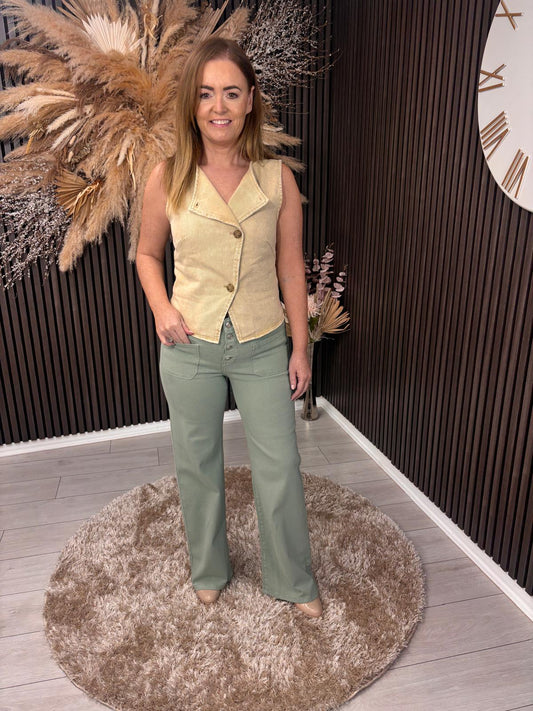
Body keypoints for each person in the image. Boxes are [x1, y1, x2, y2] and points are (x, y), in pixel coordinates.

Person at [136, 37, 322, 618]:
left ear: (251, 100)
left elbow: (291, 267)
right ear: (192, 104)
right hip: (189, 344)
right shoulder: (167, 176)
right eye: (206, 94)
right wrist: (163, 309)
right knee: (197, 464)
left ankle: (292, 579)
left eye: (232, 93)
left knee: (280, 466)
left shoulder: (276, 179)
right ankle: (209, 568)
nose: (219, 106)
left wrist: (300, 347)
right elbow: (147, 254)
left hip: (263, 342)